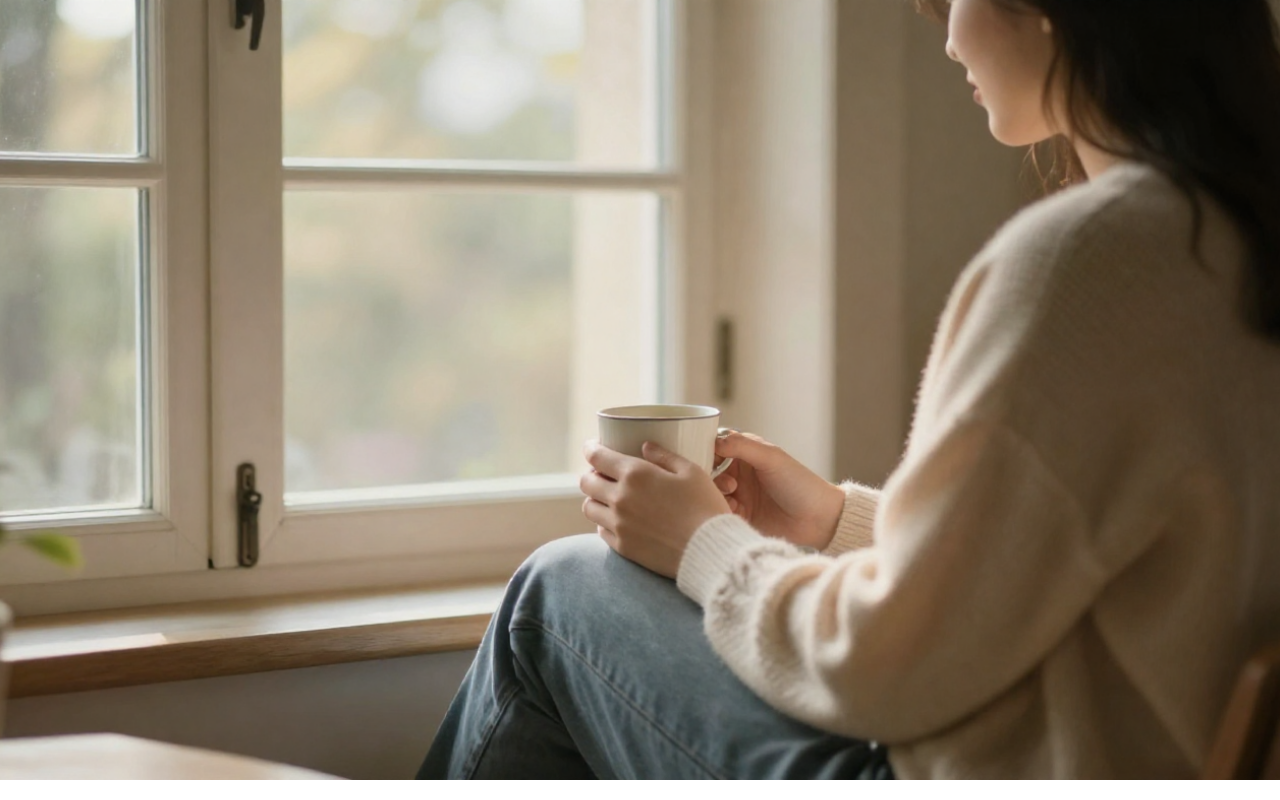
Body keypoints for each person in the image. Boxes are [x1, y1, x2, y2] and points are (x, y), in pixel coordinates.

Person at [418, 0, 1280, 779]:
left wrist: (703, 546)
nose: (946, 37)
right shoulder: (1236, 241)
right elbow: (1082, 576)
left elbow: (886, 672)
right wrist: (837, 524)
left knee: (562, 593)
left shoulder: (1085, 262)